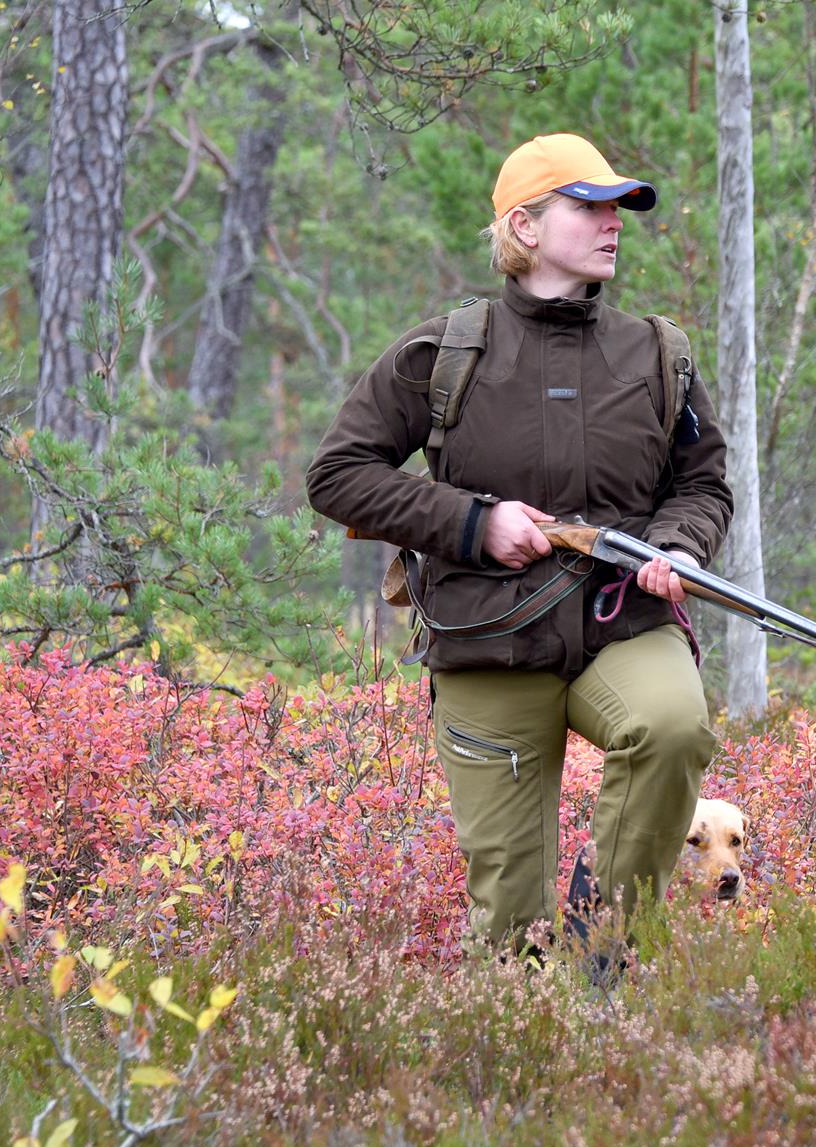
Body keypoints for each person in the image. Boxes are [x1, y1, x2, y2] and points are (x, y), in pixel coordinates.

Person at [306, 133, 731, 965]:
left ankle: (603, 945)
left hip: (623, 620)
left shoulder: (659, 354)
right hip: (488, 638)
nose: (615, 224)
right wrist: (474, 523)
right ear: (525, 227)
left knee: (674, 729)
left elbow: (703, 485)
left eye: (620, 209)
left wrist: (677, 548)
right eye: (591, 207)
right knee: (510, 924)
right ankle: (529, 1037)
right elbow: (338, 476)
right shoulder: (444, 354)